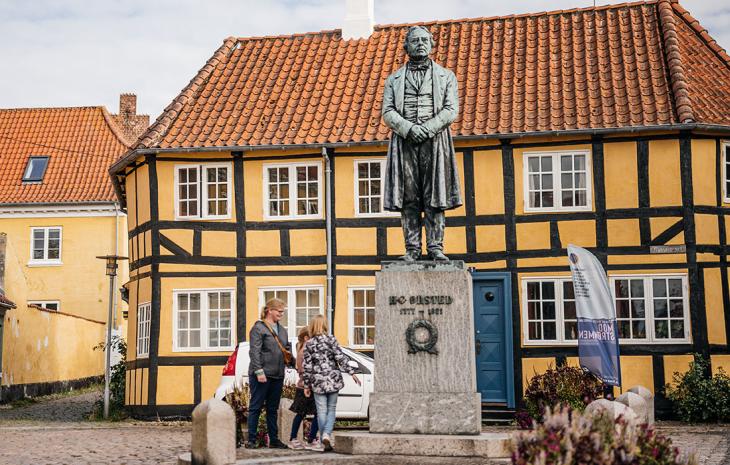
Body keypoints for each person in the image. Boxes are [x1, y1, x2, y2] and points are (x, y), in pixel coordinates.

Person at [381, 25, 462, 262]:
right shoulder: (393, 79)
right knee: (409, 197)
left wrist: (426, 129)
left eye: (424, 40)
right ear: (406, 46)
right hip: (405, 142)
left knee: (435, 195)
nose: (420, 44)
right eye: (415, 40)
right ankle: (412, 249)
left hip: (435, 141)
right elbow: (387, 111)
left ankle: (435, 246)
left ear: (432, 44)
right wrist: (408, 129)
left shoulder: (447, 76)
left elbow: (451, 109)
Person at [302, 315, 361, 452]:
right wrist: (351, 372)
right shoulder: (331, 340)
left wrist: (306, 385)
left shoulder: (309, 344)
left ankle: (324, 438)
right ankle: (327, 435)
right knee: (331, 409)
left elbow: (307, 366)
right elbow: (340, 357)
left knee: (321, 411)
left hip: (318, 382)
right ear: (324, 325)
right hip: (333, 379)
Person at [246, 298, 292, 449]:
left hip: (278, 375)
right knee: (256, 407)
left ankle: (274, 440)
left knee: (273, 409)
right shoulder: (258, 328)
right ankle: (251, 440)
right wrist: (259, 371)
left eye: (283, 311)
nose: (281, 314)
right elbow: (254, 352)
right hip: (261, 374)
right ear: (269, 310)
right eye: (279, 311)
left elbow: (286, 350)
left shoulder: (283, 330)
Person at [287, 327, 320, 450]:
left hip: (305, 386)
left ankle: (299, 438)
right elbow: (305, 369)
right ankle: (302, 439)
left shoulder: (302, 348)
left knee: (303, 414)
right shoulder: (305, 350)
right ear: (306, 338)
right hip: (305, 387)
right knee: (309, 413)